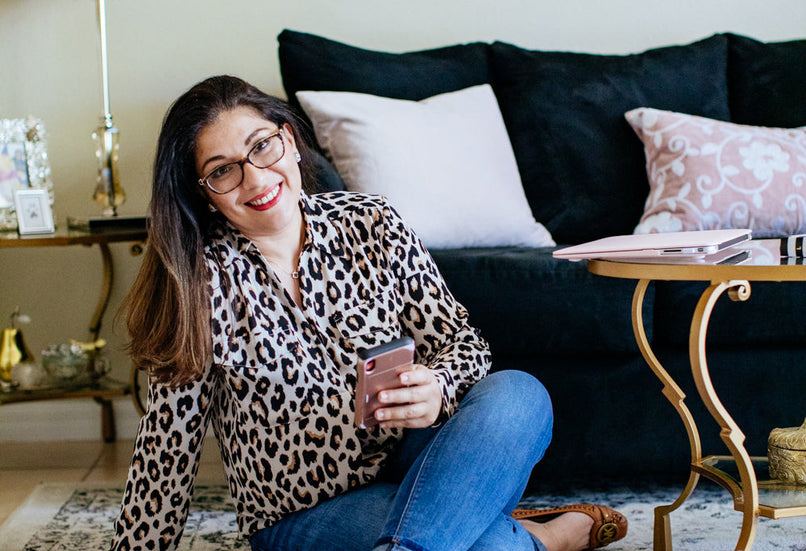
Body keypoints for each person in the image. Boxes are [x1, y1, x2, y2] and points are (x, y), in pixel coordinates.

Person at [110, 75, 627, 551]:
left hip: (418, 462)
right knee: (480, 545)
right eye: (222, 170)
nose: (254, 177)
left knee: (519, 394)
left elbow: (464, 346)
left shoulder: (372, 222)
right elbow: (165, 455)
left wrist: (439, 386)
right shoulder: (193, 285)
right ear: (203, 195)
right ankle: (537, 538)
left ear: (288, 139)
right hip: (303, 515)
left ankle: (461, 520)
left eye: (261, 146)